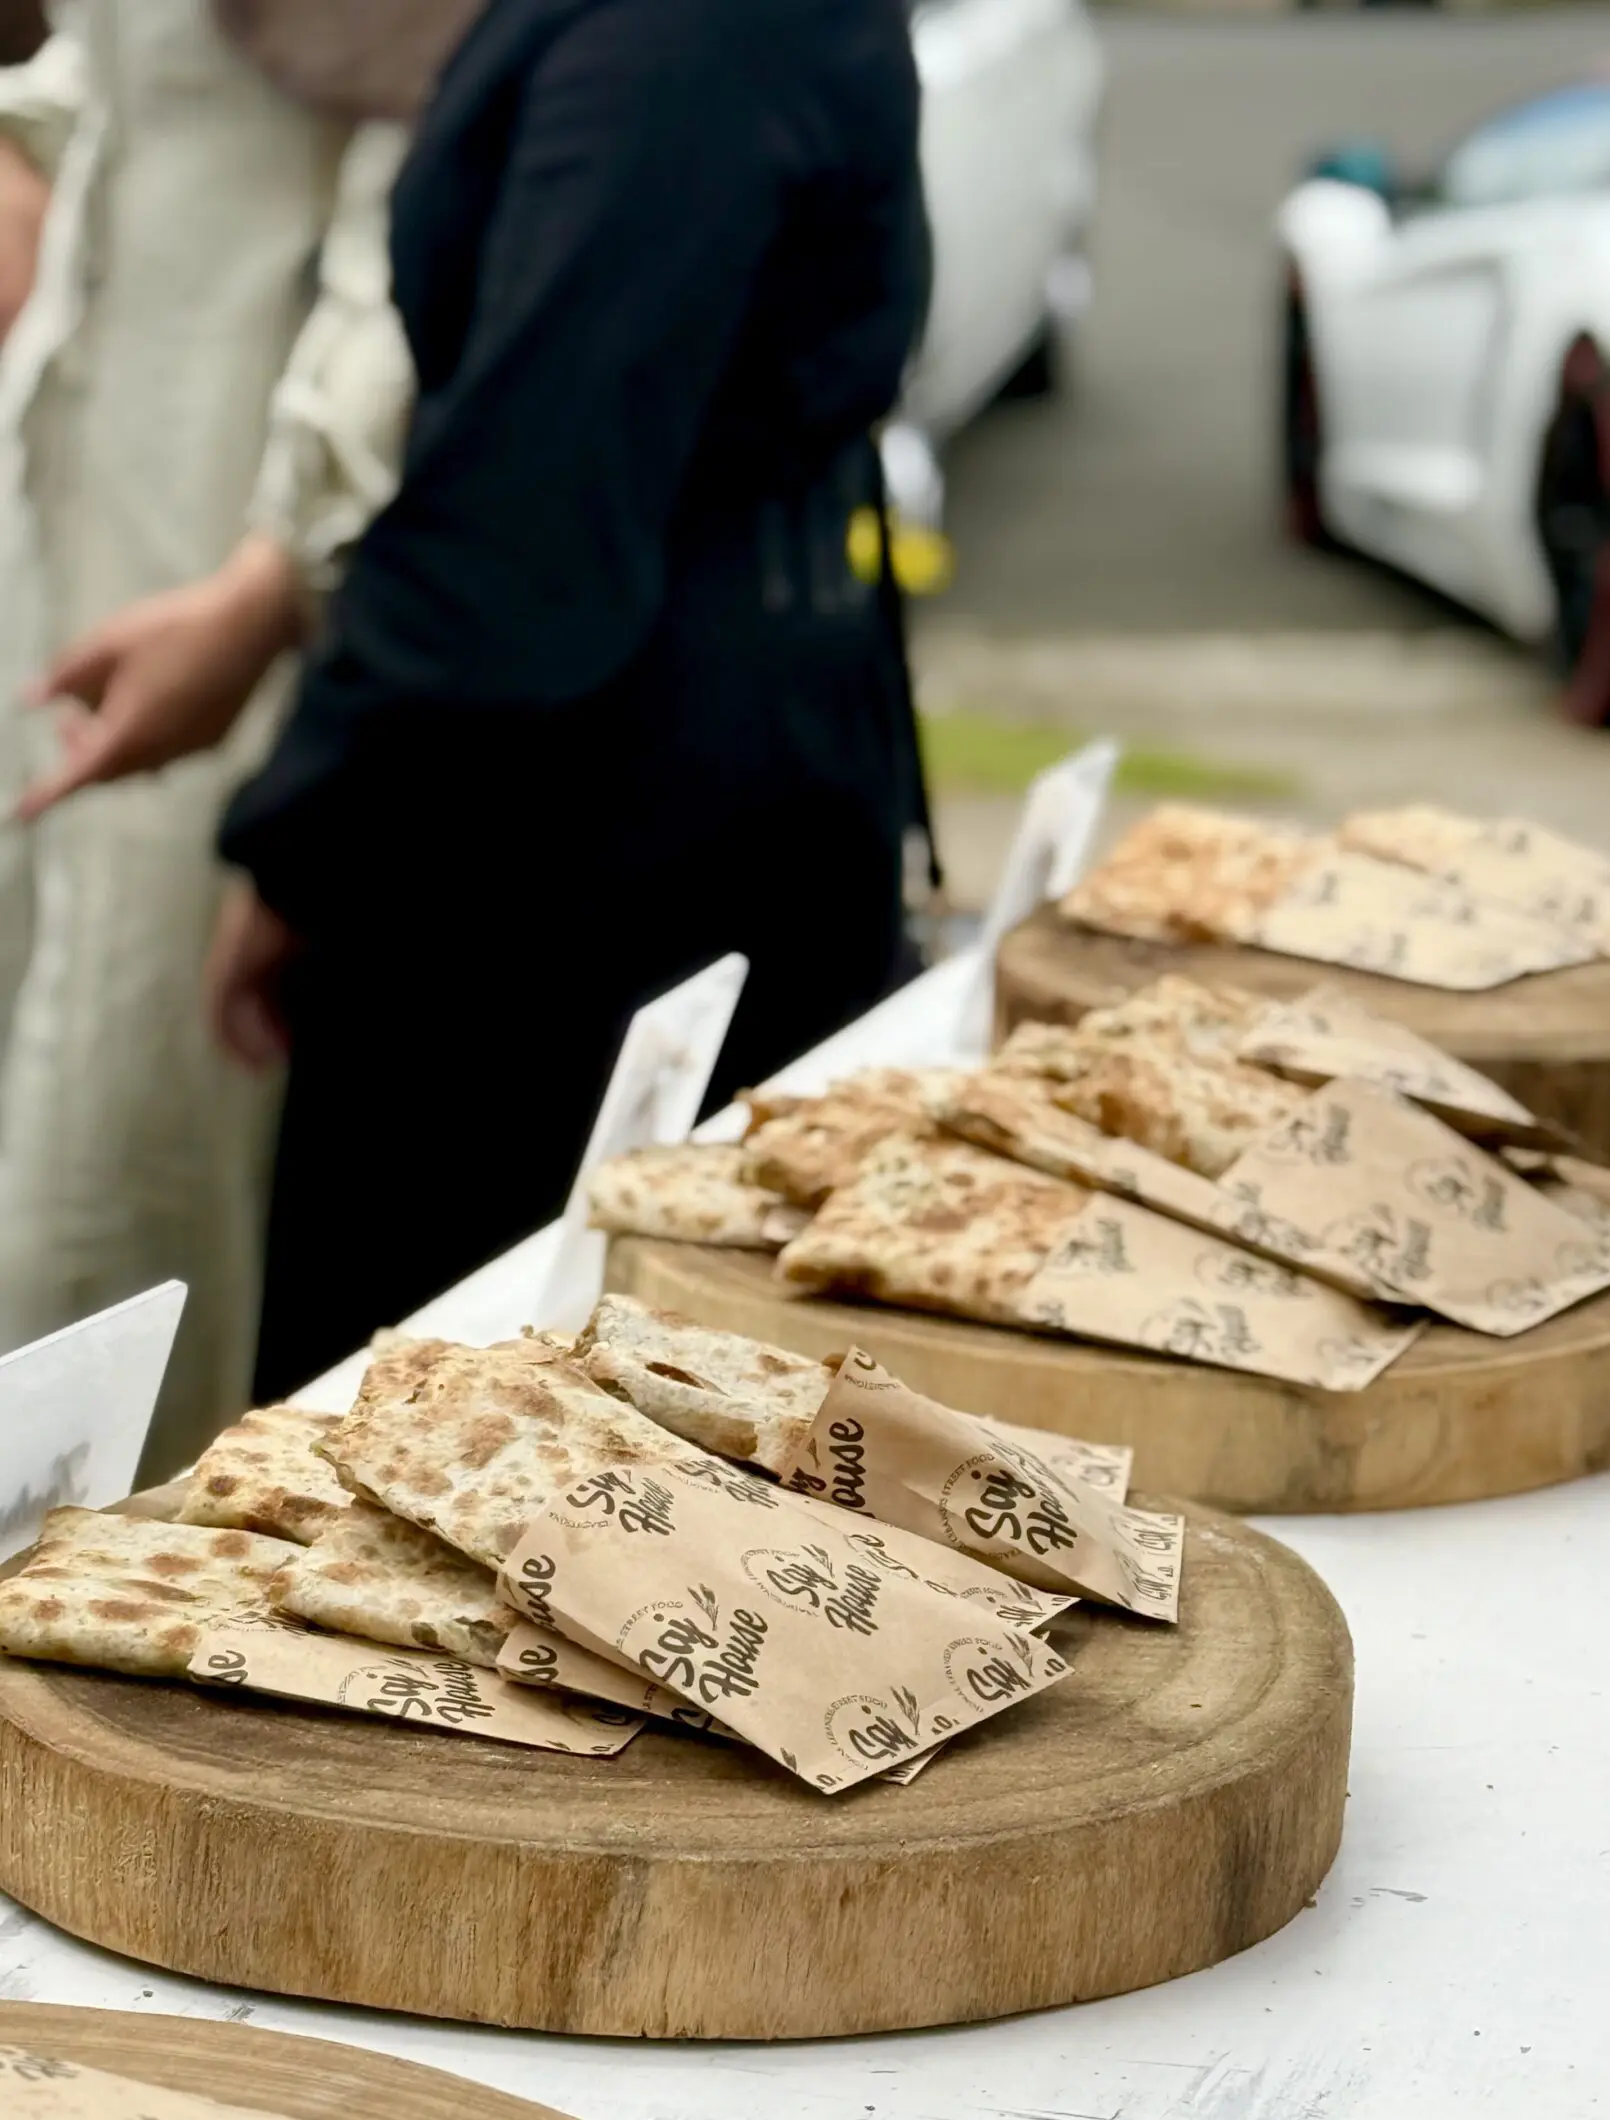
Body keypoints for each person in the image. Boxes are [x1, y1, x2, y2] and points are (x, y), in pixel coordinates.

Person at [27, 0, 930, 1401]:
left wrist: (303, 844)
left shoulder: (679, 43)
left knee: (482, 1436)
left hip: (593, 844)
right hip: (670, 755)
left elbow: (525, 518)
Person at [0, 2, 472, 1471]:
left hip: (225, 591)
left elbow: (407, 233)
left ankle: (99, 1612)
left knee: (128, 1147)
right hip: (52, 515)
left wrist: (275, 568)